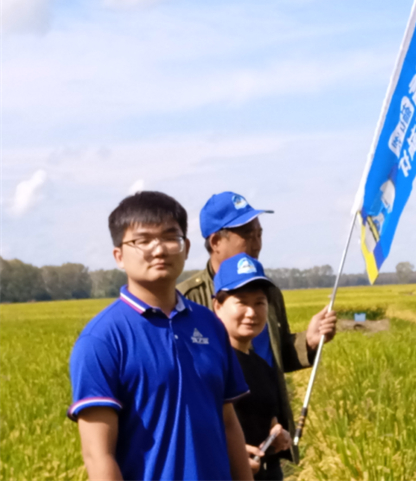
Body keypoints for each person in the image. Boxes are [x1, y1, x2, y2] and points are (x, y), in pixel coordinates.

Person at [67, 191, 253, 481]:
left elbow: (228, 423)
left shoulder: (210, 325)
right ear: (119, 256)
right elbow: (98, 455)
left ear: (187, 247)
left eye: (170, 237)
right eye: (142, 240)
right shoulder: (102, 340)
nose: (159, 249)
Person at [177, 191, 337, 463]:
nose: (256, 243)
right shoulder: (187, 300)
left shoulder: (269, 292)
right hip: (219, 444)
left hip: (267, 436)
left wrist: (308, 342)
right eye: (247, 235)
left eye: (259, 234)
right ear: (216, 241)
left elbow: (275, 354)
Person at [213, 253, 292, 480]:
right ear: (218, 306)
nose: (252, 312)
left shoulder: (263, 366)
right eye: (242, 302)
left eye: (259, 303)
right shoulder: (210, 365)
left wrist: (279, 436)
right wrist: (229, 455)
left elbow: (270, 422)